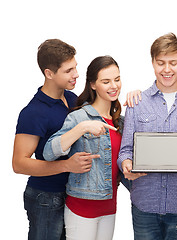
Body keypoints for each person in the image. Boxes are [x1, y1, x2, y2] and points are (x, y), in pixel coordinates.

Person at [117, 32, 177, 240]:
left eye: (173, 62)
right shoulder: (137, 102)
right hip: (144, 203)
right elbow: (126, 150)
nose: (167, 69)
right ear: (152, 63)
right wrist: (125, 163)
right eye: (161, 63)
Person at [12, 39, 98, 240]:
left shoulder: (71, 98)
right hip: (45, 197)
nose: (76, 74)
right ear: (49, 74)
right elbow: (19, 164)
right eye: (68, 71)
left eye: (75, 67)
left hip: (72, 194)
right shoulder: (33, 112)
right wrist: (67, 166)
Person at [43, 56, 125, 240]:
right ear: (93, 85)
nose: (114, 86)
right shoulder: (79, 117)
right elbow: (49, 152)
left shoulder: (121, 121)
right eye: (106, 81)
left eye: (117, 79)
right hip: (81, 208)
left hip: (110, 208)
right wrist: (82, 128)